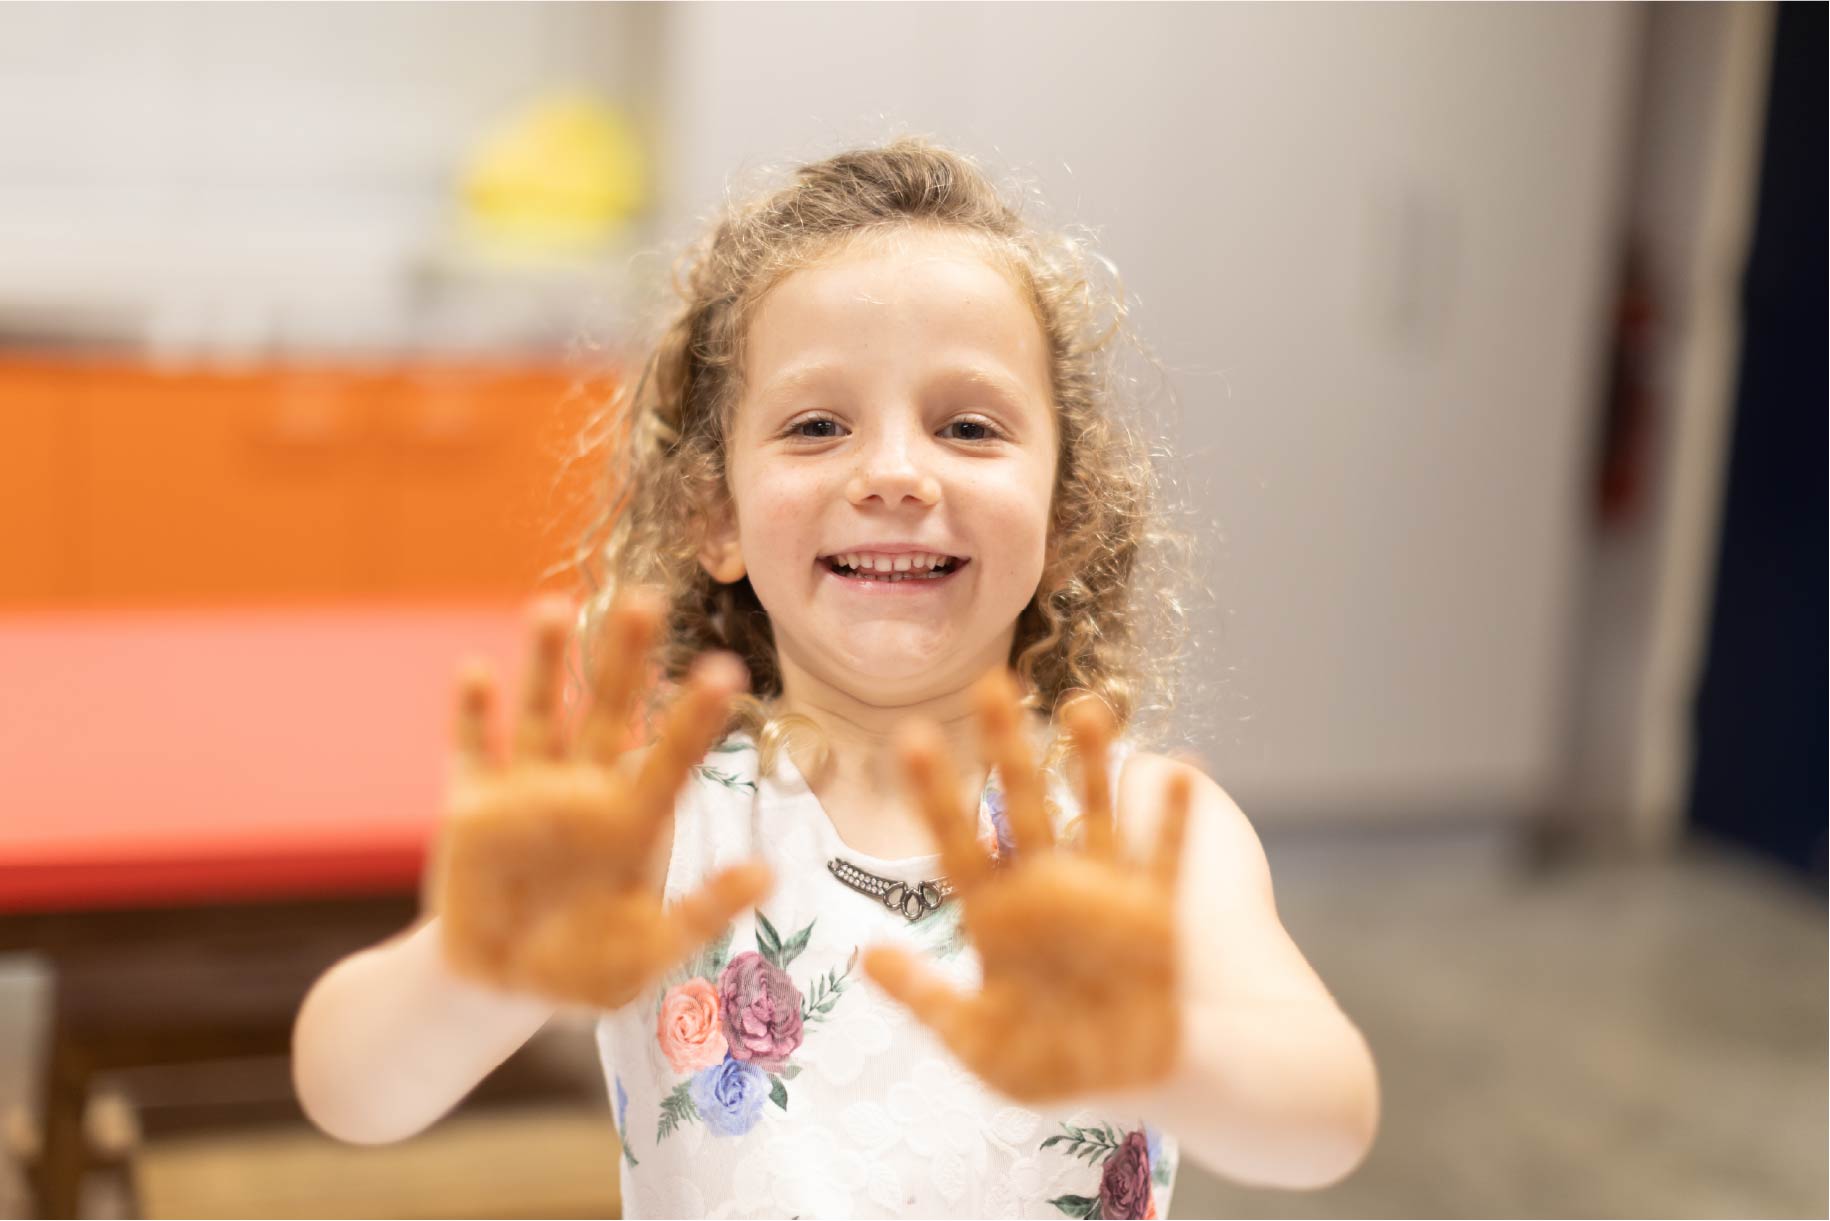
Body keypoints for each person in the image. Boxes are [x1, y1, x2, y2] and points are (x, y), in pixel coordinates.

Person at [293, 136, 1379, 1218]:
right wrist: (480, 968)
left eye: (968, 426)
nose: (895, 474)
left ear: (1066, 512)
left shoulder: (1139, 830)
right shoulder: (657, 834)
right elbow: (349, 1090)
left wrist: (1159, 1049)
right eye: (817, 426)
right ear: (715, 513)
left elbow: (1327, 1121)